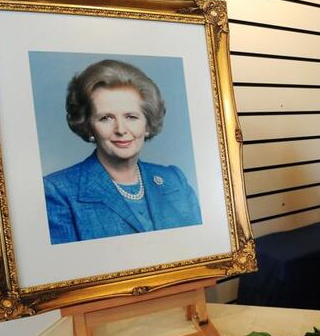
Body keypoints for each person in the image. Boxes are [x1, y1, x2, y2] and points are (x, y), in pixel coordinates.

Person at [44, 59, 202, 244]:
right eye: (106, 118)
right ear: (88, 127)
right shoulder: (57, 191)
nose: (121, 129)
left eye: (131, 117)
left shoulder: (174, 180)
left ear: (147, 124)